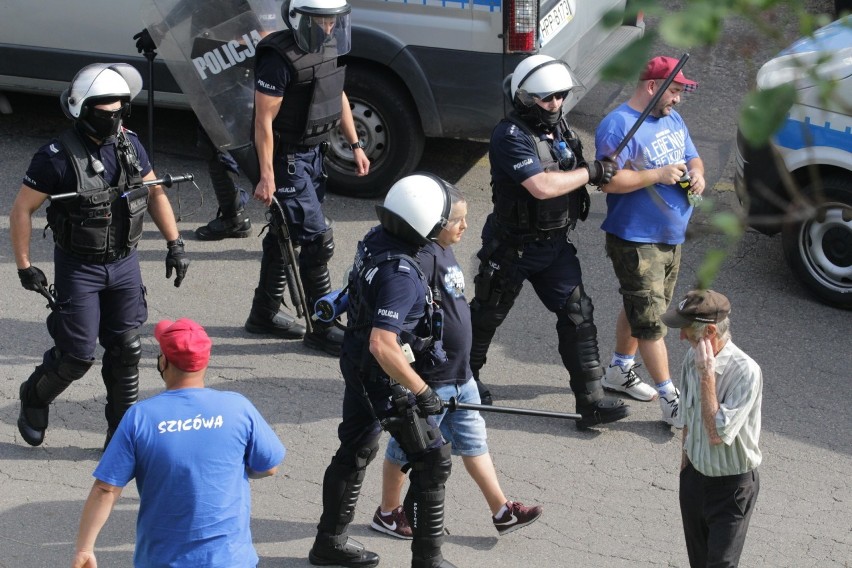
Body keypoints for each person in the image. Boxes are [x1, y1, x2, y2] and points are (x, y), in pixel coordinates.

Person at [10, 63, 190, 448]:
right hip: (80, 267)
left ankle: (121, 434)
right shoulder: (55, 157)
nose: (114, 121)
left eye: (119, 112)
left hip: (124, 262)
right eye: (106, 114)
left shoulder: (130, 144)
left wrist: (175, 244)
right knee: (76, 356)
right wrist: (25, 266)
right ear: (83, 110)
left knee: (127, 347)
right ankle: (34, 396)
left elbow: (155, 191)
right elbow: (22, 209)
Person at [468, 54, 629, 429]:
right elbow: (541, 186)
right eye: (546, 98)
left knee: (578, 315)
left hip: (554, 245)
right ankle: (463, 383)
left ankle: (591, 403)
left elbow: (576, 169)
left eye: (560, 95)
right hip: (511, 248)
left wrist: (601, 167)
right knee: (487, 316)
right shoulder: (509, 136)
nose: (555, 103)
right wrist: (590, 172)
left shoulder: (558, 127)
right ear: (525, 97)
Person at [370, 190, 542, 540]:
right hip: (432, 379)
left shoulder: (445, 250)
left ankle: (501, 510)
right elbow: (397, 328)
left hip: (462, 376)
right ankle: (388, 512)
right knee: (405, 449)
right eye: (456, 220)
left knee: (475, 441)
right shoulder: (422, 259)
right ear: (432, 224)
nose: (465, 225)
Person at [309, 174, 460, 568]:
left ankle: (329, 543)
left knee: (356, 448)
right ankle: (429, 561)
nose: (455, 226)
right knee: (433, 459)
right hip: (380, 372)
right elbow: (383, 344)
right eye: (447, 219)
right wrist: (423, 392)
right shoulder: (402, 276)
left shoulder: (379, 236)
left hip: (358, 361)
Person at [71, 318, 285, 568]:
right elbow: (269, 466)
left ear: (163, 362)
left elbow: (105, 489)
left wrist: (85, 549)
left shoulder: (141, 417)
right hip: (231, 560)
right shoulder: (238, 407)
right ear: (205, 362)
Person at [248, 0, 370, 353]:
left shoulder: (327, 44)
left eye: (333, 21)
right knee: (317, 239)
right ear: (301, 19)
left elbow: (338, 94)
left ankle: (264, 313)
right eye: (322, 20)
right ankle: (322, 324)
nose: (329, 27)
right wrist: (266, 176)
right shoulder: (278, 58)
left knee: (283, 234)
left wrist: (356, 143)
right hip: (286, 159)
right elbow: (263, 121)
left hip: (314, 154)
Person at [594, 55, 706, 427]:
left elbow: (693, 157)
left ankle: (619, 370)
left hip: (669, 237)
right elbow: (607, 181)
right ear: (653, 86)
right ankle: (670, 398)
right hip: (635, 239)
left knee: (642, 305)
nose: (678, 99)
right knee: (652, 319)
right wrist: (657, 174)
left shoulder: (671, 118)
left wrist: (697, 174)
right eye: (674, 90)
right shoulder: (619, 126)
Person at [132, 0, 278, 241]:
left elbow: (266, 33)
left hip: (239, 73)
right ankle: (234, 215)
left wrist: (221, 48)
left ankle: (291, 220)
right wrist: (162, 27)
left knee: (245, 147)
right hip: (210, 69)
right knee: (213, 143)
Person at [661, 290, 762, 567]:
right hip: (694, 479)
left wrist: (707, 374)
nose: (681, 337)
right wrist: (685, 468)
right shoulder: (690, 359)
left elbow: (716, 434)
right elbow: (687, 420)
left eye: (687, 330)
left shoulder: (746, 372)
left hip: (731, 490)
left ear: (710, 331)